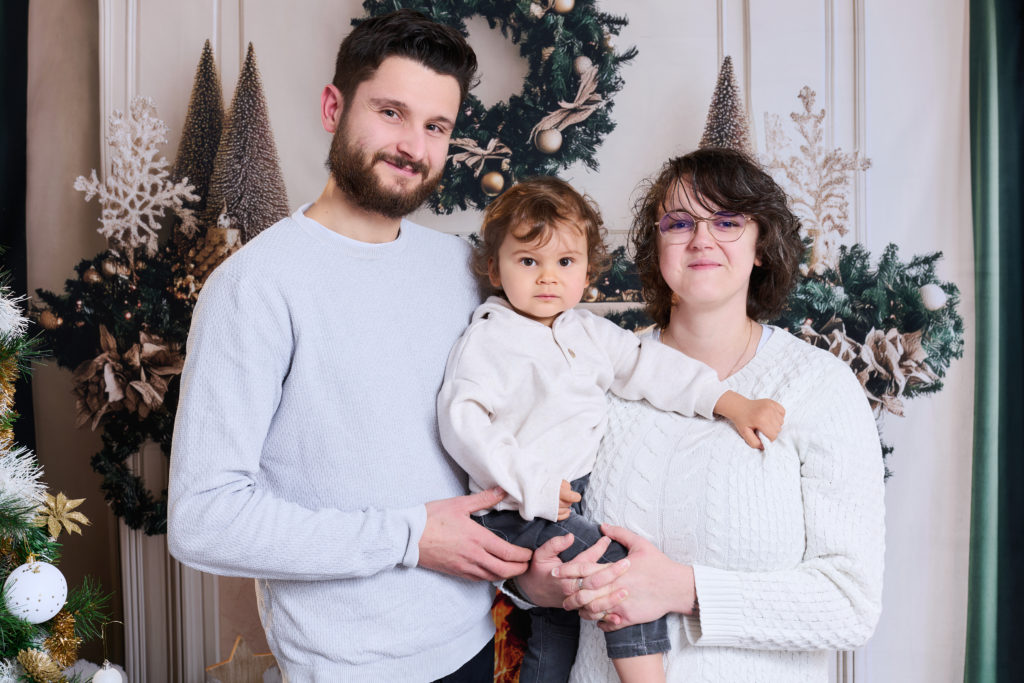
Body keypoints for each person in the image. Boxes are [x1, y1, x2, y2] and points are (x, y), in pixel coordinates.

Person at [167, 11, 533, 682]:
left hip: (476, 643)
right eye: (391, 112)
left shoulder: (461, 266)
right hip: (350, 666)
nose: (412, 146)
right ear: (334, 107)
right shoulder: (255, 286)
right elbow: (203, 518)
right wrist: (409, 537)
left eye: (436, 127)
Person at [515, 148, 886, 682]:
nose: (701, 238)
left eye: (728, 221)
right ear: (657, 244)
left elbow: (851, 605)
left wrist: (681, 589)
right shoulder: (593, 371)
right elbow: (529, 522)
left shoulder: (817, 385)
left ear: (762, 247)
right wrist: (535, 586)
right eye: (679, 221)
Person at [437, 176, 785, 683]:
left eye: (565, 262)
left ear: (587, 268)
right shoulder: (489, 338)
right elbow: (464, 423)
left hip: (562, 499)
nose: (546, 278)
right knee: (618, 569)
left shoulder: (587, 332)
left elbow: (652, 368)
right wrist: (530, 484)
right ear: (495, 267)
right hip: (515, 505)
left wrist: (730, 403)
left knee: (555, 632)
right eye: (527, 261)